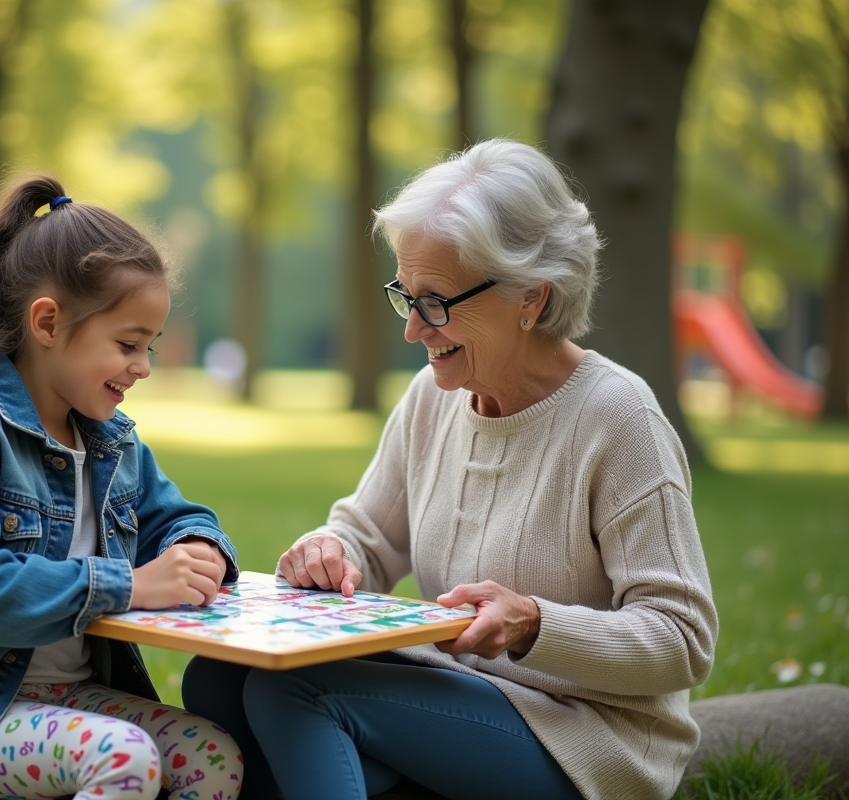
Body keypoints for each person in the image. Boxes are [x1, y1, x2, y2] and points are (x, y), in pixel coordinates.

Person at [182, 139, 717, 800]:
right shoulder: (434, 398)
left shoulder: (618, 418)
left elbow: (683, 641)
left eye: (434, 301)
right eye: (405, 296)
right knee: (216, 676)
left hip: (590, 739)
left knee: (301, 691)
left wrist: (532, 625)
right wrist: (331, 551)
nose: (413, 330)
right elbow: (367, 539)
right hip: (466, 696)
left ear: (530, 297)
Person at [0, 176, 244, 800]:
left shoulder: (110, 440)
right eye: (128, 344)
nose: (144, 367)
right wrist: (132, 584)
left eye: (148, 346)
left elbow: (175, 516)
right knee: (125, 760)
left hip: (72, 698)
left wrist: (201, 548)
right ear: (47, 322)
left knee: (214, 757)